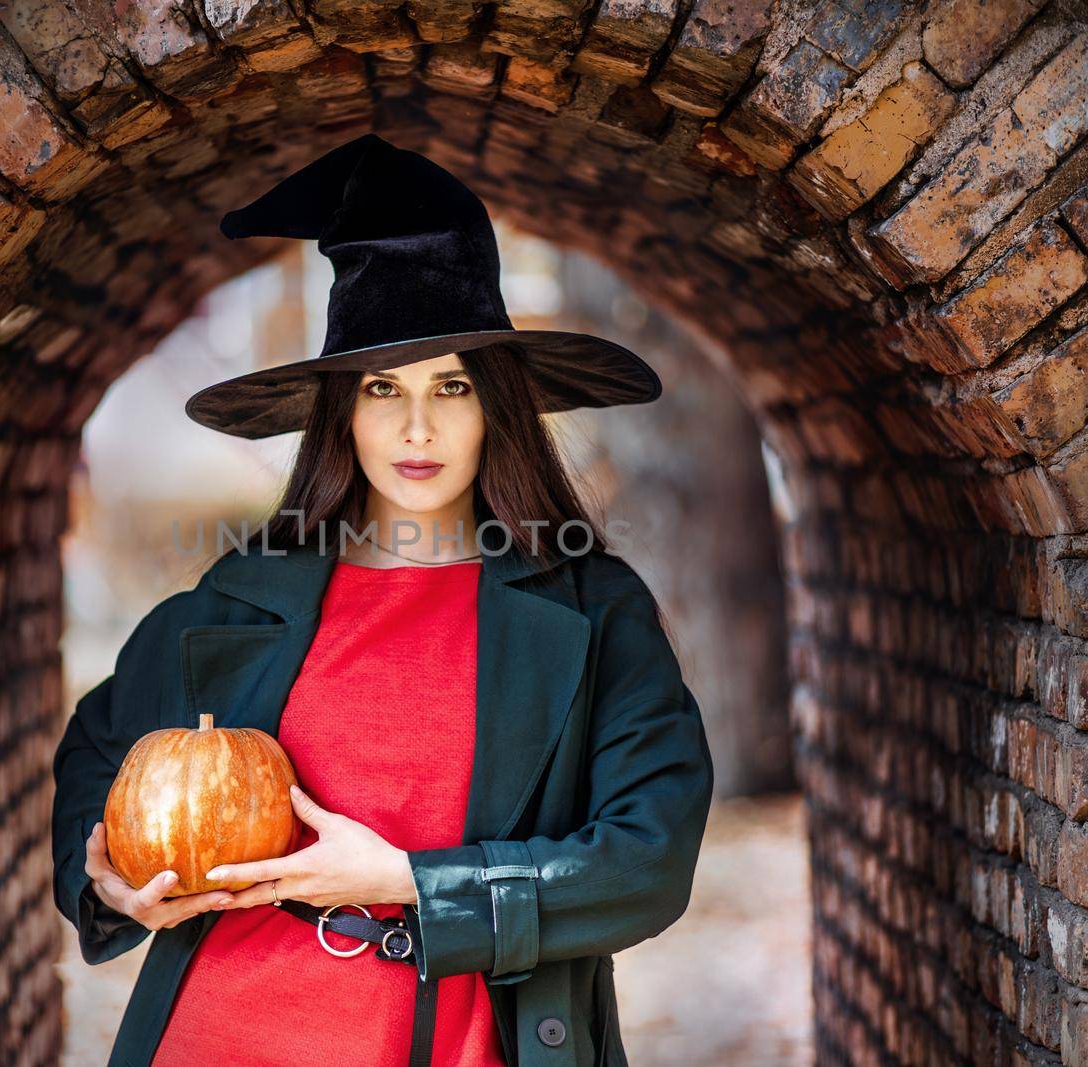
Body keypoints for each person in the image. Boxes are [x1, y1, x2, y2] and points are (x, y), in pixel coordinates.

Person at [51, 133, 714, 1067]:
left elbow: (647, 859)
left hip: (465, 1039)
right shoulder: (243, 597)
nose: (415, 426)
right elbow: (99, 746)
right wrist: (112, 875)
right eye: (380, 388)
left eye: (452, 385)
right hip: (224, 1032)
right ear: (342, 411)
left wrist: (412, 882)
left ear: (498, 406)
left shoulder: (593, 609)